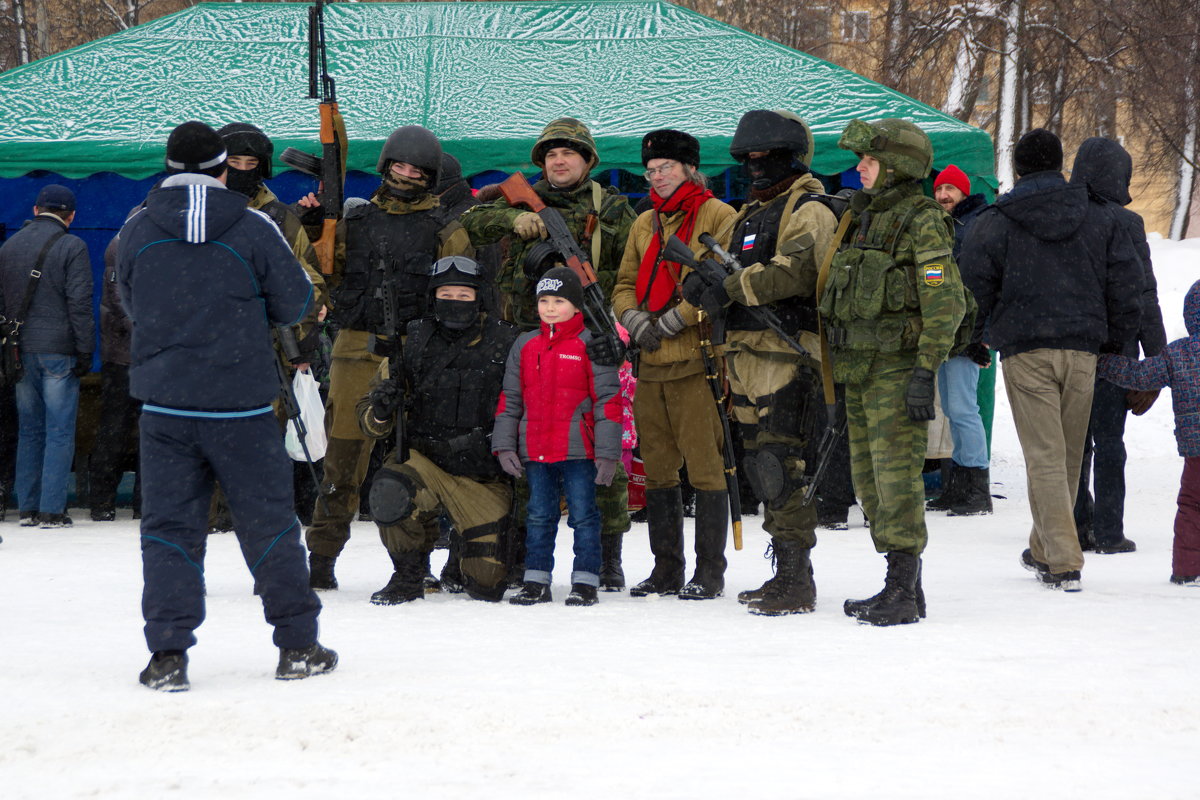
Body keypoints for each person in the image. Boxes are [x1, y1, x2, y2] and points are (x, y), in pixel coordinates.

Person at [117, 121, 335, 691]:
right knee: (268, 526)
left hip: (165, 404)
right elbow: (297, 302)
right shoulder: (253, 225)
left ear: (167, 167)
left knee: (168, 530)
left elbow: (129, 300)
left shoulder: (138, 227)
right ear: (223, 168)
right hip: (240, 403)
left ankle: (168, 655)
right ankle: (297, 646)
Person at [960, 128, 1142, 592]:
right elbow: (1126, 283)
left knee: (1044, 454)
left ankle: (1062, 559)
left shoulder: (996, 219)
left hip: (1026, 349)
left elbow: (974, 284)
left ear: (1017, 170)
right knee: (1065, 454)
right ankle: (1043, 547)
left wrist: (974, 338)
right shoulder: (1099, 216)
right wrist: (1117, 343)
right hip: (1083, 347)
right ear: (1062, 164)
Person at [461, 117, 636, 590]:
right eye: (551, 155)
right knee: (525, 442)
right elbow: (470, 219)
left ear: (588, 160)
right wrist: (512, 218)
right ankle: (523, 552)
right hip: (527, 338)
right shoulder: (523, 196)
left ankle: (606, 557)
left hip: (591, 335)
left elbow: (626, 270)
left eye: (569, 154)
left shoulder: (612, 208)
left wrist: (616, 328)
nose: (559, 162)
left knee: (602, 444)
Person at [300, 125, 473, 591]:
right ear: (385, 166)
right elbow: (321, 274)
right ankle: (321, 558)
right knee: (342, 464)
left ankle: (416, 563)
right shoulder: (353, 221)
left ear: (430, 175)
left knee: (417, 462)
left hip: (416, 354)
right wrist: (315, 227)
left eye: (417, 169)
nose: (406, 174)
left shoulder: (446, 229)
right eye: (399, 165)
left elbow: (460, 300)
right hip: (355, 350)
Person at [683, 109, 837, 615]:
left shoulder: (809, 207)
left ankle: (797, 579)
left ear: (789, 156)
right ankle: (785, 573)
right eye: (746, 158)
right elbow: (725, 273)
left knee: (781, 465)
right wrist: (703, 283)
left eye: (763, 157)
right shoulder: (749, 214)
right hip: (745, 355)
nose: (754, 166)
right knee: (762, 466)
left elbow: (793, 272)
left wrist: (729, 285)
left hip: (787, 354)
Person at [820, 118, 967, 625]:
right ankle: (904, 586)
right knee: (869, 481)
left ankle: (901, 591)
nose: (860, 168)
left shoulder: (921, 219)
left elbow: (944, 302)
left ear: (898, 167)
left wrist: (926, 370)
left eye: (871, 161)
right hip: (859, 370)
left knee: (897, 479)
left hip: (898, 370)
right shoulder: (863, 216)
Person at [612, 128, 737, 600]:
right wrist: (634, 319)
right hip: (650, 364)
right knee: (659, 471)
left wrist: (671, 321)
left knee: (705, 469)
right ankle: (666, 569)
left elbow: (720, 283)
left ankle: (709, 572)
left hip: (696, 359)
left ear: (689, 168)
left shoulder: (719, 214)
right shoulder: (645, 222)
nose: (657, 176)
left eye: (665, 167)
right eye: (650, 170)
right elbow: (624, 282)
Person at [356, 256, 518, 604]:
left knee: (488, 585)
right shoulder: (412, 341)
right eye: (447, 293)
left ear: (479, 297)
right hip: (425, 464)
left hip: (482, 474)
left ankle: (461, 553)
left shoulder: (507, 342)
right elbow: (368, 420)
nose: (455, 302)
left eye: (464, 295)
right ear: (434, 297)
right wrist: (382, 409)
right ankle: (409, 575)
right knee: (390, 491)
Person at [492, 267, 622, 606]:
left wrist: (608, 454)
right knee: (538, 515)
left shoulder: (591, 344)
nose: (550, 308)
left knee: (583, 515)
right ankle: (536, 579)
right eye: (544, 300)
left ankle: (585, 580)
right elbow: (510, 398)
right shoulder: (525, 344)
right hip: (535, 449)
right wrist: (504, 444)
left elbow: (609, 401)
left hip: (579, 450)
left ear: (577, 307)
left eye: (559, 301)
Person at [1070, 137, 1167, 554]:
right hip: (1116, 350)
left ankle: (1075, 526)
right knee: (1110, 441)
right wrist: (1157, 365)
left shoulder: (1063, 216)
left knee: (1074, 444)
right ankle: (1110, 531)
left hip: (1072, 345)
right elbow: (1145, 293)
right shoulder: (1126, 224)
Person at [0, 183, 93, 528]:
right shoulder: (73, 246)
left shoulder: (9, 246)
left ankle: (27, 507)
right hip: (58, 349)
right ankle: (52, 508)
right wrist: (85, 349)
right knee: (59, 430)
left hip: (19, 351)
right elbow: (79, 304)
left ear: (36, 210)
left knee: (30, 429)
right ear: (71, 216)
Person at [1097, 280, 1200, 586]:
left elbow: (1140, 375)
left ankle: (1187, 568)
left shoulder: (1180, 354)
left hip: (1196, 452)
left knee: (1192, 506)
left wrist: (1103, 362)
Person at [925, 164, 993, 515]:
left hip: (967, 335)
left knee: (965, 410)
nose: (943, 195)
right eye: (939, 189)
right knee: (952, 410)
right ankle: (958, 486)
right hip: (947, 334)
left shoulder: (976, 225)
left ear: (964, 192)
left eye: (950, 189)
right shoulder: (945, 227)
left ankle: (977, 489)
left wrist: (978, 336)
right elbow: (937, 280)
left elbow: (981, 284)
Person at [87, 235, 139, 521]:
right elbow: (120, 300)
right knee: (118, 429)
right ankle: (110, 502)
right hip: (129, 356)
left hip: (122, 354)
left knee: (116, 428)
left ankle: (105, 502)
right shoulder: (126, 242)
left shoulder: (125, 239)